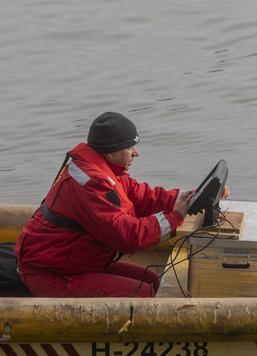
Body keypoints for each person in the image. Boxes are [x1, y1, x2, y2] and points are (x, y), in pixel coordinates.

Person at [14, 112, 229, 297]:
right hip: (54, 275)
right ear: (110, 150)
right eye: (130, 146)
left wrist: (194, 196)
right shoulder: (92, 183)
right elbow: (126, 237)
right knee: (143, 294)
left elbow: (143, 195)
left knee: (152, 280)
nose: (136, 152)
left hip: (75, 265)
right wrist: (175, 218)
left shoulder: (104, 171)